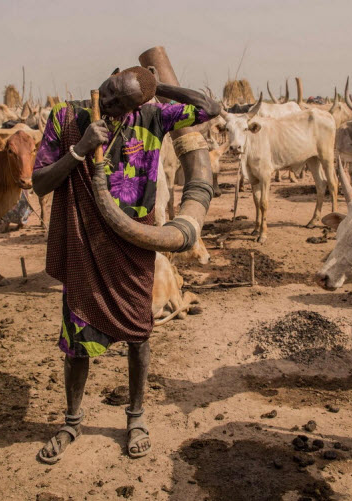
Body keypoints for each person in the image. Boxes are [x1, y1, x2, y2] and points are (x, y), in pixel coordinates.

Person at [31, 66, 220, 463]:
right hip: (84, 244)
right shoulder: (66, 117)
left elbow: (209, 107)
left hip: (134, 244)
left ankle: (136, 417)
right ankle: (71, 421)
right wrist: (80, 149)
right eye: (110, 89)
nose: (109, 101)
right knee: (77, 339)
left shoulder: (153, 117)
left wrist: (156, 85)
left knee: (139, 333)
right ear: (111, 75)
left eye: (121, 101)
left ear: (138, 104)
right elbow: (41, 182)